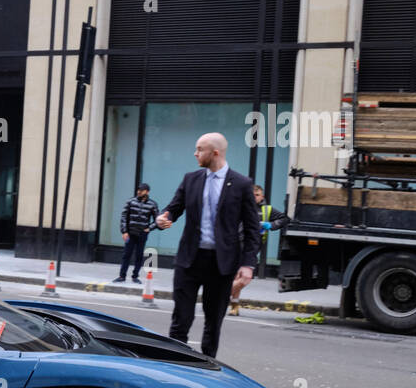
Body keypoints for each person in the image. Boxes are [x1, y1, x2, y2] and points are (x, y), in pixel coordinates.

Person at [154, 132, 260, 358]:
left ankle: (208, 365)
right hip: (189, 260)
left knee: (214, 320)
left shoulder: (242, 184)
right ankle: (173, 362)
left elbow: (252, 228)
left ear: (215, 153)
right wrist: (163, 219)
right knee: (181, 317)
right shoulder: (191, 179)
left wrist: (248, 265)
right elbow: (174, 208)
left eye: (199, 149)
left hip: (222, 264)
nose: (195, 153)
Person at [228, 184, 291, 316]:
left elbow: (285, 219)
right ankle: (234, 306)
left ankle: (221, 297)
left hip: (253, 247)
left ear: (262, 196)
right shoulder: (241, 207)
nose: (254, 197)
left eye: (257, 195)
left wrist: (271, 225)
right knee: (237, 276)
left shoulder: (267, 210)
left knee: (245, 278)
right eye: (252, 195)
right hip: (236, 244)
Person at [112, 182, 159, 283]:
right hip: (130, 233)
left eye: (141, 190)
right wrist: (124, 231)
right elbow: (124, 217)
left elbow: (157, 220)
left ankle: (135, 276)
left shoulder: (152, 204)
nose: (138, 191)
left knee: (139, 255)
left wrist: (149, 228)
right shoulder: (130, 201)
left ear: (147, 192)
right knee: (126, 255)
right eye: (138, 190)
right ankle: (122, 276)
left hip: (142, 234)